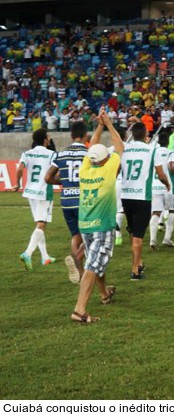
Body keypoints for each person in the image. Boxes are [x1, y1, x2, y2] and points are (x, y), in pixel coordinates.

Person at [70, 110, 124, 323]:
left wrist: (99, 127)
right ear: (105, 160)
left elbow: (92, 146)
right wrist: (109, 124)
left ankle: (104, 294)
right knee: (93, 265)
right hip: (102, 225)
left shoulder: (86, 168)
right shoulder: (107, 169)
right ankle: (80, 310)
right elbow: (120, 147)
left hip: (86, 224)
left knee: (95, 259)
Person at [120, 122, 170, 280]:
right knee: (139, 235)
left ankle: (138, 261)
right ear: (146, 133)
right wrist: (167, 183)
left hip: (126, 195)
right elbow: (160, 174)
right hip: (142, 196)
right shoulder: (152, 149)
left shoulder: (125, 149)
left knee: (132, 231)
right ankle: (135, 270)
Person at [45, 121, 90, 283]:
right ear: (85, 136)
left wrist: (62, 181)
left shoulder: (62, 154)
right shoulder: (88, 153)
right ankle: (78, 259)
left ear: (71, 136)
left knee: (75, 235)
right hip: (84, 199)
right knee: (92, 235)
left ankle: (79, 272)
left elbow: (47, 177)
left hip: (66, 200)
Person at [13, 128, 57, 270]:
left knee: (39, 224)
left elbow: (20, 169)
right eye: (48, 136)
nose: (49, 138)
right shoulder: (51, 154)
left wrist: (17, 183)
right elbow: (55, 172)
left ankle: (45, 257)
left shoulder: (27, 153)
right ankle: (28, 253)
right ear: (45, 139)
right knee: (41, 224)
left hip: (30, 192)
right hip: (44, 192)